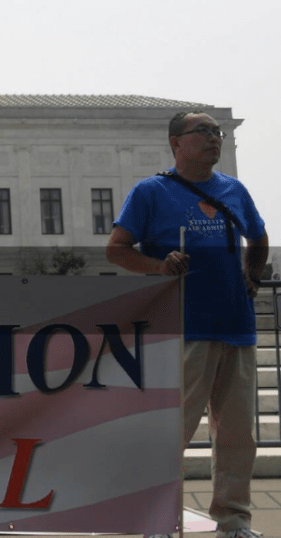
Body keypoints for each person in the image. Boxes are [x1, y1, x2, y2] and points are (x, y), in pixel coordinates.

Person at [107, 111, 269, 538]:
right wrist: (159, 266)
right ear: (177, 143)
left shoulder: (234, 190)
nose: (215, 138)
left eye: (218, 131)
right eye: (204, 131)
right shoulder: (151, 192)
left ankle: (233, 521)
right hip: (183, 327)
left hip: (237, 325)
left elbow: (259, 235)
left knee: (237, 437)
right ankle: (153, 519)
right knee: (170, 432)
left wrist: (253, 273)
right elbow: (118, 250)